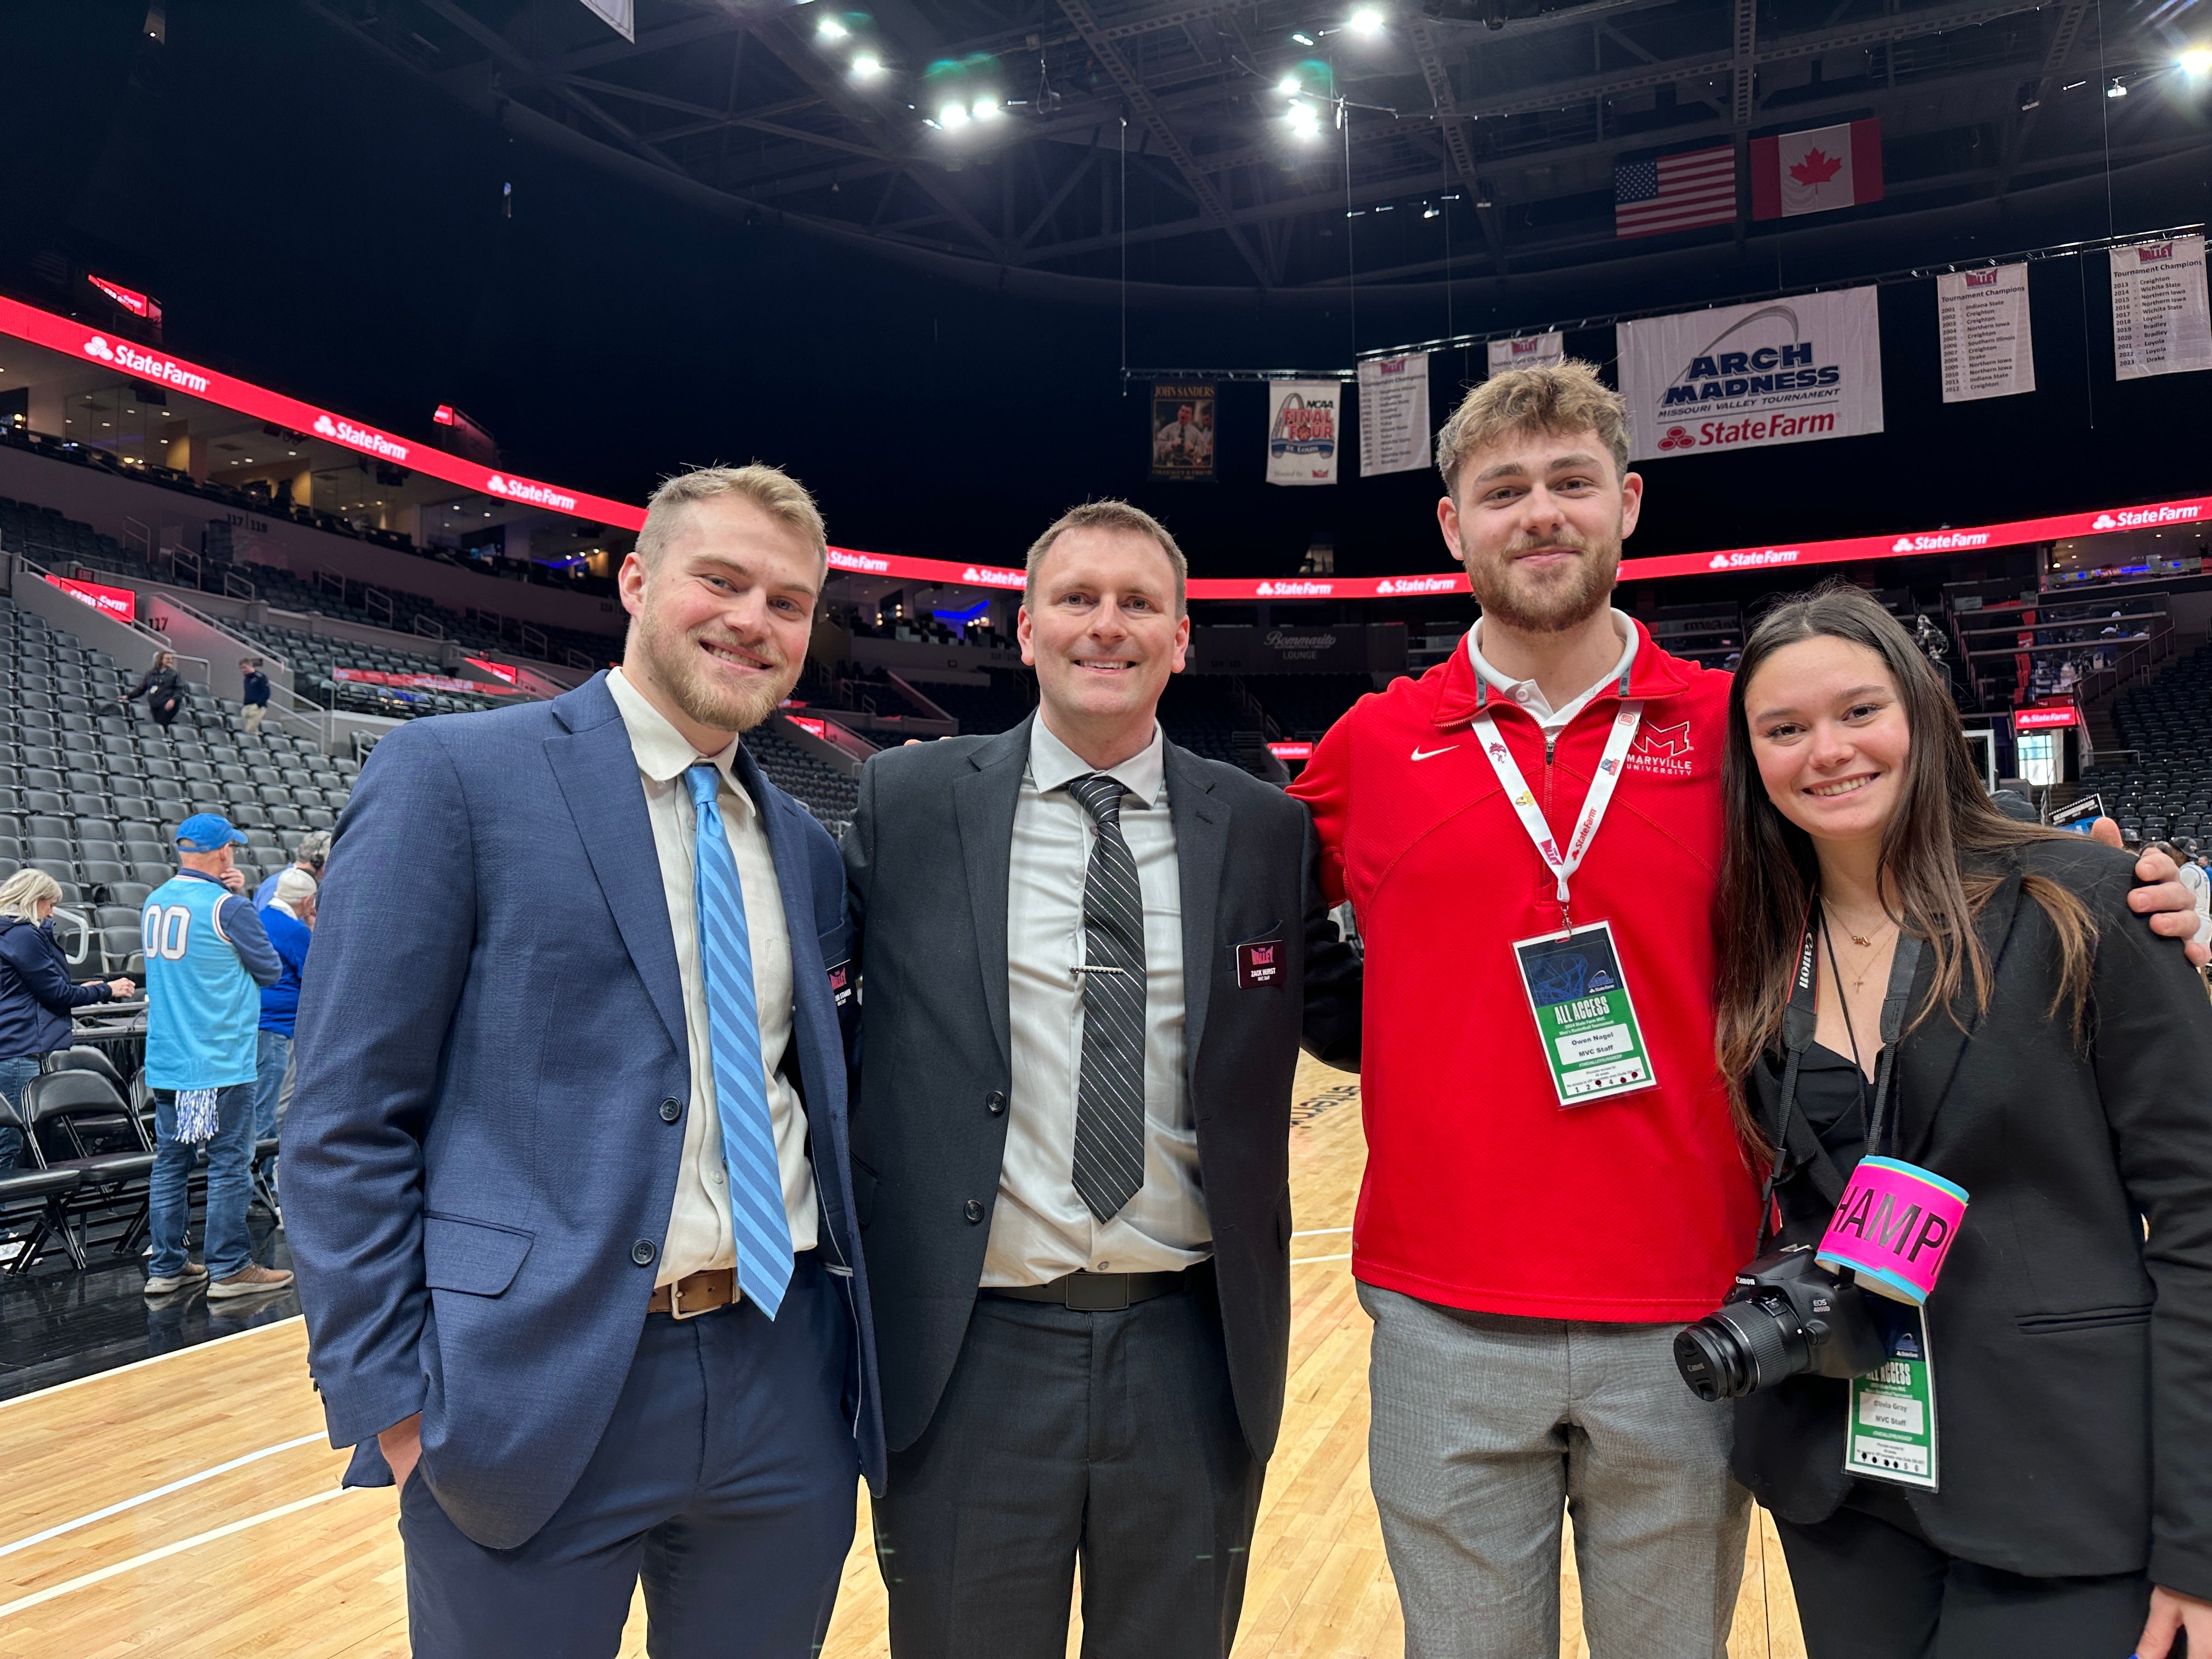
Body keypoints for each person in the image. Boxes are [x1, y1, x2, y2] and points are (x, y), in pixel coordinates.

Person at [1286, 360, 2208, 1659]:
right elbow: (1237, 916)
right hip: (1443, 1318)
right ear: (1453, 526)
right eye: (1503, 490)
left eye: (1571, 483)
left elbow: (1913, 841)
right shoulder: (1368, 749)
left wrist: (2154, 892)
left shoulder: (1743, 735)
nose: (1538, 512)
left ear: (1628, 505)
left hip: (1691, 1302)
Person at [284, 464, 882, 1659]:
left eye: (789, 602)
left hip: (781, 1371)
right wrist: (393, 1405)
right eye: (720, 581)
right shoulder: (456, 778)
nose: (751, 622)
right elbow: (345, 1115)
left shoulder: (807, 847)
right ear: (637, 580)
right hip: (529, 1389)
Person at [846, 499, 1361, 1659]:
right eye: (1077, 599)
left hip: (1191, 1346)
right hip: (969, 1347)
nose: (1106, 626)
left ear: (1183, 637)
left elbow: (1349, 1014)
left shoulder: (1266, 831)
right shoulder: (911, 804)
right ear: (1025, 629)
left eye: (1139, 604)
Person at [1715, 583, 2212, 1659]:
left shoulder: (2087, 904)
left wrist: (2202, 1534)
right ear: (1751, 758)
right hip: (1844, 1484)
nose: (1828, 750)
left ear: (1925, 715)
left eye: (1859, 712)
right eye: (1784, 729)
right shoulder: (1759, 952)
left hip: (2067, 1481)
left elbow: (2200, 1229)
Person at [142, 814, 291, 1299]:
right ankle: (229, 1268)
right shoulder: (230, 908)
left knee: (170, 1163)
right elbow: (270, 970)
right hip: (222, 1060)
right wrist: (240, 900)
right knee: (229, 1162)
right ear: (225, 852)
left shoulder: (154, 901)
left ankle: (166, 1267)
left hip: (168, 1061)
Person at [0, 869, 133, 1169]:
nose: (51, 913)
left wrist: (77, 990)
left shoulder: (9, 933)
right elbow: (55, 995)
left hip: (11, 1043)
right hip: (18, 1047)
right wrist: (106, 989)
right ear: (35, 900)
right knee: (9, 1143)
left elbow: (29, 990)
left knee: (8, 1142)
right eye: (49, 905)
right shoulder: (22, 934)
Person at [252, 866, 314, 1176]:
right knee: (275, 1107)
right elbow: (315, 977)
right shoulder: (295, 931)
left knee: (261, 1103)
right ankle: (265, 1180)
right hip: (280, 1027)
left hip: (255, 1023)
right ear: (306, 900)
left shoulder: (257, 920)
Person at [255, 831, 330, 909]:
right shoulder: (278, 885)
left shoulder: (312, 885)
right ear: (317, 860)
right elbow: (266, 918)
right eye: (330, 861)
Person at [125, 651, 187, 730]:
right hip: (155, 704)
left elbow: (179, 690)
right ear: (161, 659)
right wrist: (128, 696)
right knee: (158, 724)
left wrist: (173, 700)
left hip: (167, 705)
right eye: (168, 659)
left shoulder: (175, 674)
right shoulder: (151, 674)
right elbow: (142, 689)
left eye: (171, 659)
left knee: (161, 724)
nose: (171, 661)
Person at [240, 658, 272, 733]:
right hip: (247, 706)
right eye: (241, 668)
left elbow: (267, 692)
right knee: (247, 729)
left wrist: (258, 705)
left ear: (251, 666)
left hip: (257, 707)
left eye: (245, 667)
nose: (243, 670)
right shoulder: (246, 679)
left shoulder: (260, 677)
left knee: (250, 730)